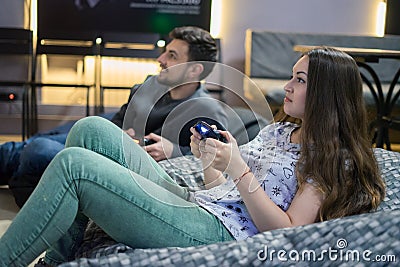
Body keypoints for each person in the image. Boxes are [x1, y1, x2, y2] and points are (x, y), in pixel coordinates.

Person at [0, 47, 385, 266]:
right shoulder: (280, 129)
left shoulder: (333, 158)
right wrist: (209, 162)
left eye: (299, 80)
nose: (286, 86)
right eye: (292, 76)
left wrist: (238, 169)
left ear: (327, 93)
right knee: (90, 129)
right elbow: (221, 188)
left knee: (74, 167)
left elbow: (285, 234)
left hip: (216, 233)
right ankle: (59, 258)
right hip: (198, 203)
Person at [0, 26, 227, 208]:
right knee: (38, 140)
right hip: (110, 137)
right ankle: (21, 181)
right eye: (165, 51)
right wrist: (119, 131)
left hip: (121, 161)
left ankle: (21, 182)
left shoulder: (206, 110)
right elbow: (119, 119)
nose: (161, 59)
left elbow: (220, 157)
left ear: (194, 70)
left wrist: (174, 150)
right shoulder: (148, 86)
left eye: (172, 55)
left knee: (38, 149)